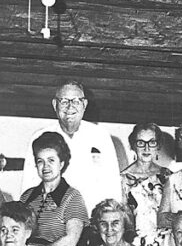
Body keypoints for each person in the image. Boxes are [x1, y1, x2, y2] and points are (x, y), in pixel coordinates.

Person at [19, 80, 125, 213]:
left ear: (84, 104)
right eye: (64, 101)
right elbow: (28, 186)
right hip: (52, 221)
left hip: (93, 219)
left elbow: (112, 183)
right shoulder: (39, 137)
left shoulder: (101, 136)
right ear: (54, 104)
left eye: (75, 101)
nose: (70, 107)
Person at [119, 122, 171, 240]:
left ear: (158, 146)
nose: (146, 148)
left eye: (152, 142)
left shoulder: (168, 176)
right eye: (141, 143)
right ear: (133, 145)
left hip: (165, 241)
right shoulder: (123, 179)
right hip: (137, 244)